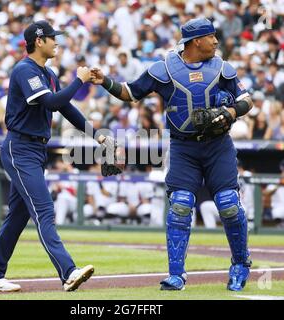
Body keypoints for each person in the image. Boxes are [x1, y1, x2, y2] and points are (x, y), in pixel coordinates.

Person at [91, 18, 253, 292]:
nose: (216, 41)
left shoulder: (223, 68)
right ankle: (176, 274)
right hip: (183, 147)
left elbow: (247, 99)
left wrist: (230, 112)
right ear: (196, 41)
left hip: (218, 145)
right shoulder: (164, 69)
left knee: (227, 203)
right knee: (179, 205)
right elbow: (130, 92)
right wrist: (104, 80)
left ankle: (239, 265)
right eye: (211, 36)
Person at [0, 20, 110, 293]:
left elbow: (65, 108)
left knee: (17, 216)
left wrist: (96, 134)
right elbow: (51, 102)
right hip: (20, 147)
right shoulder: (24, 70)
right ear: (38, 41)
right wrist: (79, 80)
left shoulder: (47, 73)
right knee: (44, 209)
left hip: (36, 149)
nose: (56, 42)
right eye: (52, 38)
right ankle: (68, 271)